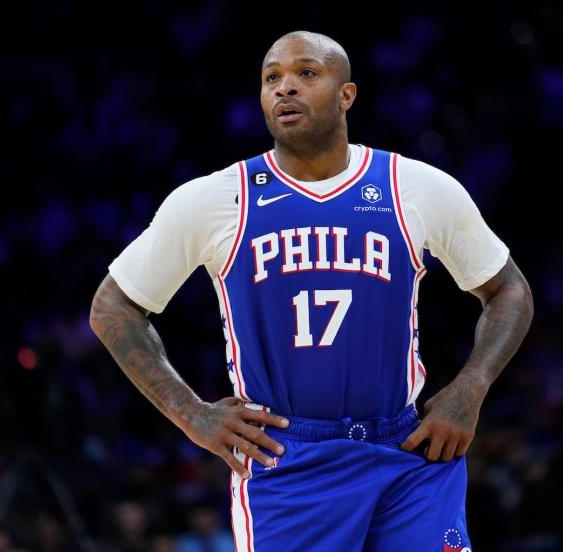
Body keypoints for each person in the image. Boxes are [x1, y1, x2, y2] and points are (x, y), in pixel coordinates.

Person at [90, 31, 534, 551]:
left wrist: (469, 389)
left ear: (346, 95)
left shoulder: (415, 187)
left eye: (306, 73)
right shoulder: (215, 199)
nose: (285, 88)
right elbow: (112, 306)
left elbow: (510, 290)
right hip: (290, 458)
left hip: (408, 450)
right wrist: (191, 413)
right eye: (271, 78)